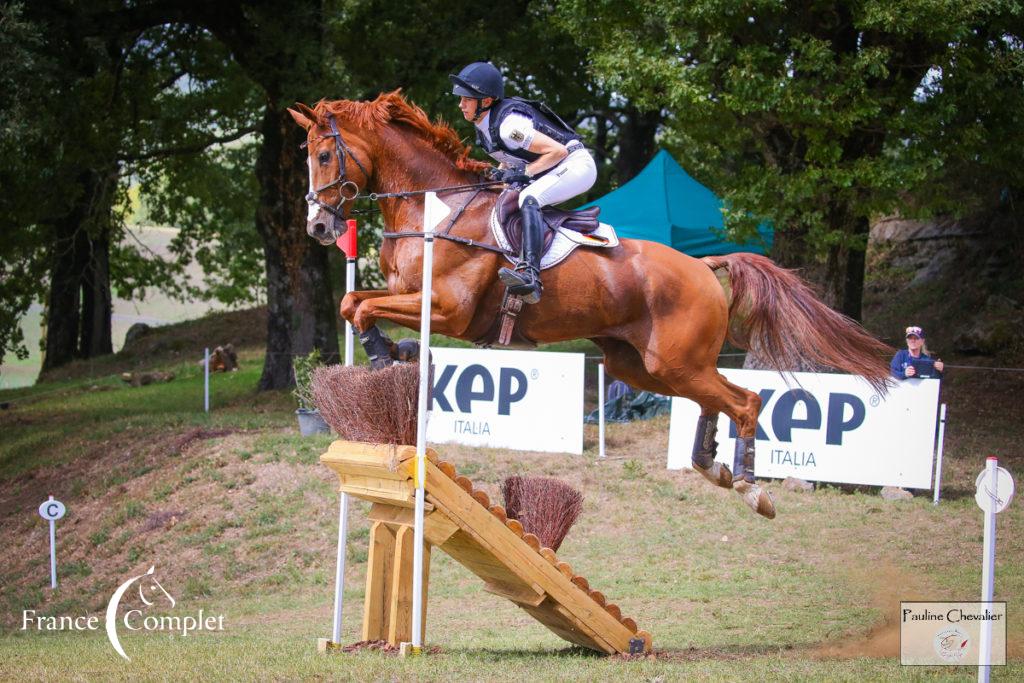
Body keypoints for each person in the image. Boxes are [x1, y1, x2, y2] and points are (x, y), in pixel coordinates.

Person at [449, 61, 597, 304]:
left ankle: (530, 274)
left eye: (467, 99)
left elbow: (557, 152)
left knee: (529, 198)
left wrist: (524, 172)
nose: (460, 104)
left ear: (485, 101)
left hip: (575, 164)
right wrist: (498, 177)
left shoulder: (509, 127)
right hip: (554, 166)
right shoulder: (484, 127)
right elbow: (510, 159)